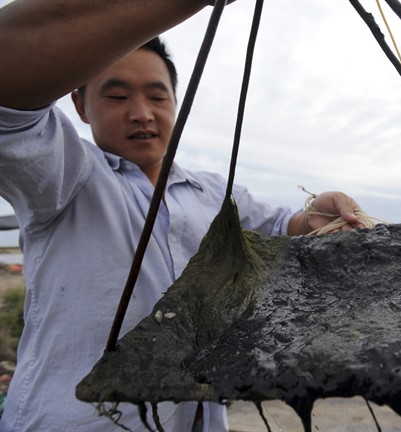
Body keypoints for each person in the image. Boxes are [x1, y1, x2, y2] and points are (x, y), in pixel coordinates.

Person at [0, 0, 366, 430]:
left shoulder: (214, 192)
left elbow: (283, 226)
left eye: (157, 96)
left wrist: (314, 217)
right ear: (80, 107)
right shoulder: (65, 174)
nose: (141, 112)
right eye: (117, 96)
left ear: (177, 102)